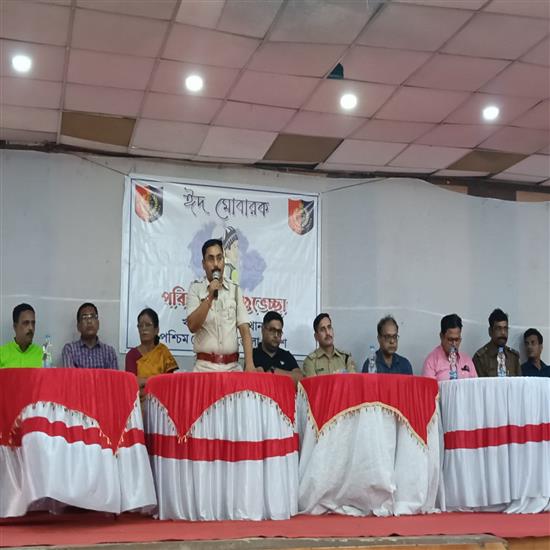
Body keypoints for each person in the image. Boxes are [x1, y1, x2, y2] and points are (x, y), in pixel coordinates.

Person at [187, 238, 255, 372]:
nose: (216, 264)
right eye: (211, 259)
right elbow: (192, 326)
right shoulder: (195, 289)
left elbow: (245, 330)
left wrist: (250, 364)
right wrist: (210, 297)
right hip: (204, 369)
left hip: (232, 368)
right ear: (203, 264)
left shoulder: (235, 289)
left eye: (219, 258)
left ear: (224, 261)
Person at [125, 308, 178, 391]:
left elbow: (169, 382)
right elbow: (132, 384)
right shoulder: (131, 355)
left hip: (162, 396)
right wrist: (157, 381)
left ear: (156, 330)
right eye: (140, 326)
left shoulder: (163, 352)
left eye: (148, 325)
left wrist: (144, 381)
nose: (143, 329)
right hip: (139, 397)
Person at [61, 302, 118, 369]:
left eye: (92, 316)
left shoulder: (109, 352)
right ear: (78, 326)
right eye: (84, 317)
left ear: (98, 323)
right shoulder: (70, 350)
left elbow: (113, 376)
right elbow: (71, 375)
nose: (89, 321)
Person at [422, 313, 477, 381]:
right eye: (450, 340)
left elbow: (475, 385)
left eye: (457, 339)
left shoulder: (467, 361)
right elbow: (429, 387)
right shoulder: (431, 362)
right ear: (441, 337)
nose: (454, 344)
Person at [253, 311, 302, 383]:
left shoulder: (286, 355)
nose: (276, 335)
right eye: (272, 330)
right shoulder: (253, 354)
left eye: (279, 332)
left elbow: (300, 378)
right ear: (263, 329)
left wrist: (274, 371)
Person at [473, 308, 520, 377]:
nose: (503, 333)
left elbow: (520, 382)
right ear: (490, 331)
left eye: (505, 328)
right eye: (498, 328)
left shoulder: (513, 357)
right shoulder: (481, 358)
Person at [0, 303, 42, 368]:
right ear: (15, 326)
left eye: (33, 323)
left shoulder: (42, 355)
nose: (31, 328)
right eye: (26, 323)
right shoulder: (1, 354)